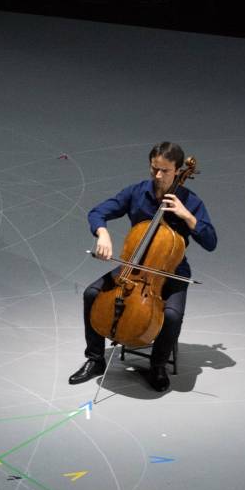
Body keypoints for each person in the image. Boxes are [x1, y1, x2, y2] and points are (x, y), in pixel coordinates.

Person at [69, 142, 217, 391]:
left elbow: (211, 242)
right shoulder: (137, 192)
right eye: (154, 169)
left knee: (171, 315)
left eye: (165, 171)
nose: (158, 176)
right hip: (133, 267)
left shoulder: (190, 201)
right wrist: (102, 233)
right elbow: (97, 212)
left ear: (178, 170)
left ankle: (157, 366)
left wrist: (187, 216)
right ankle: (95, 359)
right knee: (91, 294)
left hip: (171, 272)